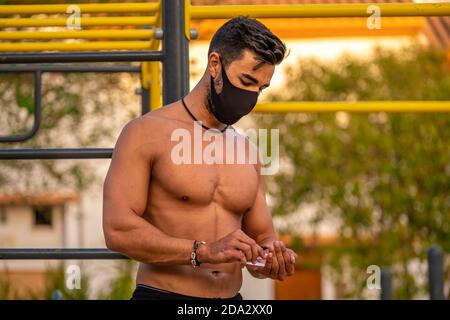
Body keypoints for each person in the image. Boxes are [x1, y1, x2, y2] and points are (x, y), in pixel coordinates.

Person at [103, 16, 297, 300]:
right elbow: (117, 229)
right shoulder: (146, 133)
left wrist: (271, 259)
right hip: (164, 296)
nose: (251, 95)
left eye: (261, 88)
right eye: (246, 80)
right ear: (215, 65)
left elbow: (262, 238)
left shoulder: (247, 152)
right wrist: (202, 252)